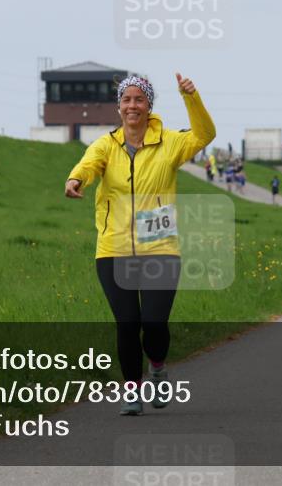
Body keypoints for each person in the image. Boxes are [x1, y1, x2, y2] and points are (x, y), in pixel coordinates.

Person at [65, 73, 215, 416]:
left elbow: (205, 134)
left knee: (154, 324)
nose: (133, 106)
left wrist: (191, 97)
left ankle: (158, 367)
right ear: (119, 107)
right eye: (127, 100)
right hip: (113, 249)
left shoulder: (171, 144)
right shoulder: (106, 145)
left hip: (159, 247)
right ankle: (131, 390)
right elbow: (88, 165)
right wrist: (76, 179)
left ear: (149, 106)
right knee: (128, 324)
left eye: (139, 100)